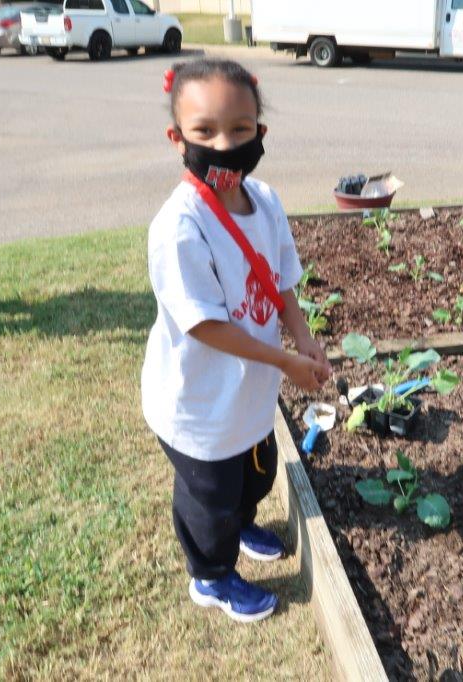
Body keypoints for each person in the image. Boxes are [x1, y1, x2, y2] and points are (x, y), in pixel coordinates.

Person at [141, 59, 331, 623]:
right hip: (196, 402)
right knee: (209, 498)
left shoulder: (265, 200)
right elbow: (203, 325)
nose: (224, 144)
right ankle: (212, 575)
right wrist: (284, 360)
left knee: (258, 469)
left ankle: (242, 522)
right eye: (205, 132)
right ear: (177, 141)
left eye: (240, 130)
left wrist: (303, 337)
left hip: (247, 389)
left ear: (260, 133)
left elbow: (280, 280)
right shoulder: (180, 226)